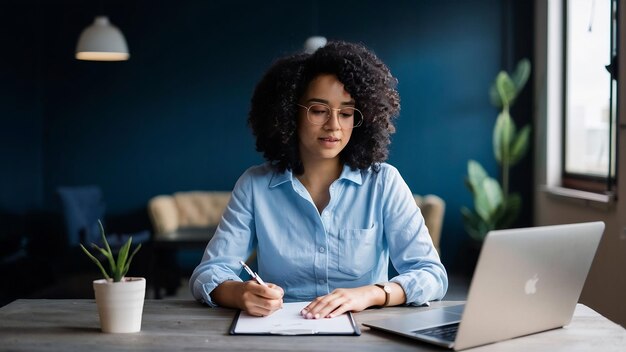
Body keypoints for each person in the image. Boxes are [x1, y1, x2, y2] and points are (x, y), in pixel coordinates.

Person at [190, 41, 448, 319]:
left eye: (347, 113)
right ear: (289, 113)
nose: (334, 125)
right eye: (318, 110)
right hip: (278, 334)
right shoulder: (255, 186)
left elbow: (431, 274)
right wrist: (240, 293)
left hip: (364, 335)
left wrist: (372, 293)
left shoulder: (384, 183)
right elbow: (208, 273)